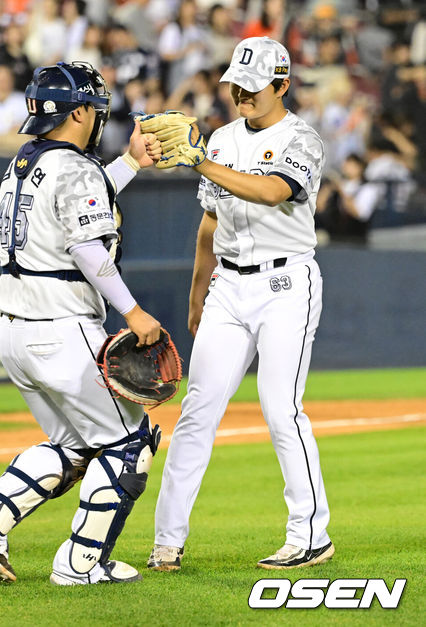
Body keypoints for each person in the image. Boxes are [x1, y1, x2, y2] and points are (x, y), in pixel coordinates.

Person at [0, 61, 165, 586]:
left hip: (15, 330)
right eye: (94, 108)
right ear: (77, 113)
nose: (98, 117)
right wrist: (133, 311)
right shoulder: (73, 168)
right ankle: (80, 564)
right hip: (62, 325)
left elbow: (78, 205)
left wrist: (130, 163)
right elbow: (87, 246)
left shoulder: (25, 162)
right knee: (129, 444)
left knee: (75, 446)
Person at [147, 37, 334, 571]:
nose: (242, 94)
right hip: (228, 286)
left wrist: (201, 162)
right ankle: (167, 542)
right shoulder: (223, 140)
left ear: (282, 85)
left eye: (254, 86)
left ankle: (310, 534)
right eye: (237, 84)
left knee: (281, 409)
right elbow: (209, 226)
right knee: (197, 412)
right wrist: (197, 296)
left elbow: (275, 191)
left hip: (285, 285)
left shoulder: (302, 138)